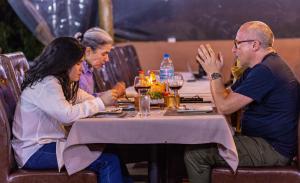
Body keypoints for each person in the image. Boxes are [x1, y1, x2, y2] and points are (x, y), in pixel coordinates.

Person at [184, 21, 300, 183]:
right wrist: (215, 73)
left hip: (272, 149)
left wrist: (214, 74)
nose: (233, 50)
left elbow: (224, 107)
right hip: (261, 141)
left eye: (237, 44)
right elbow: (225, 96)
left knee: (195, 154)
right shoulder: (259, 67)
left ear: (254, 45)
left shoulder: (266, 71)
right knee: (196, 139)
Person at [11, 37, 129, 183]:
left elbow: (85, 98)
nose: (81, 68)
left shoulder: (61, 81)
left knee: (111, 149)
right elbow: (66, 115)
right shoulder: (47, 83)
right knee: (108, 161)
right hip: (34, 152)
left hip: (48, 145)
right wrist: (100, 102)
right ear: (65, 63)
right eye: (78, 63)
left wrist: (106, 99)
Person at [75, 27, 125, 106]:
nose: (107, 59)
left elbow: (88, 97)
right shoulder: (76, 71)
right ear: (88, 51)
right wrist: (113, 93)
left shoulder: (89, 69)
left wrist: (112, 93)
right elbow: (79, 103)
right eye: (104, 54)